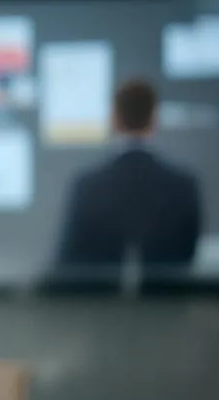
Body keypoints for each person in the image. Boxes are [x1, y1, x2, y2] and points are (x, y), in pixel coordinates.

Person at [48, 79, 202, 294]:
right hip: (168, 313)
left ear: (114, 118)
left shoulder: (88, 187)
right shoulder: (183, 185)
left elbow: (68, 263)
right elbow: (187, 258)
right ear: (153, 119)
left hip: (98, 316)